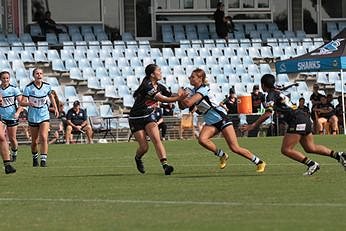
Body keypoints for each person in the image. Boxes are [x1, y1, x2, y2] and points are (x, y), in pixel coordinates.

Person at [241, 74, 346, 176]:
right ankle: (339, 155)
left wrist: (253, 125)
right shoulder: (277, 91)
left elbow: (268, 112)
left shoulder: (271, 95)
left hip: (297, 120)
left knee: (286, 149)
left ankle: (312, 164)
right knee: (310, 147)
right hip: (304, 117)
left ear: (263, 85)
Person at [179, 68, 266, 172]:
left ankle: (259, 162)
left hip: (221, 118)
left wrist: (180, 96)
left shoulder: (203, 89)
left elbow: (188, 103)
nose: (190, 78)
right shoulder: (193, 91)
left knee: (235, 148)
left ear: (200, 79)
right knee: (202, 140)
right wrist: (179, 98)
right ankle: (222, 155)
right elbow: (182, 107)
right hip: (211, 122)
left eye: (193, 77)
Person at [128, 64, 188, 175]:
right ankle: (137, 158)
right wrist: (179, 98)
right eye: (158, 71)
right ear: (152, 74)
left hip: (149, 116)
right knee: (144, 147)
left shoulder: (160, 86)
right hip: (135, 118)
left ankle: (165, 165)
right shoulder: (147, 86)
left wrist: (180, 94)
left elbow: (169, 95)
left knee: (157, 139)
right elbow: (163, 99)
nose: (161, 72)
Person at [20, 68, 59, 167]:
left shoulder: (47, 86)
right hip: (33, 116)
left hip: (44, 115)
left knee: (44, 137)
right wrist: (28, 103)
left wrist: (55, 108)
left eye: (41, 73)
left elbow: (51, 97)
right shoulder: (28, 88)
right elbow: (21, 102)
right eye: (37, 73)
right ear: (34, 75)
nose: (39, 75)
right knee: (34, 141)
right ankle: (34, 157)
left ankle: (43, 160)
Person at [0, 71, 23, 162]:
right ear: (0, 79)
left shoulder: (14, 89)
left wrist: (17, 112)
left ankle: (14, 152)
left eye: (7, 78)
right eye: (3, 78)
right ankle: (6, 153)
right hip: (1, 116)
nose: (5, 80)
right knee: (2, 137)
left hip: (11, 116)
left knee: (12, 138)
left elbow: (21, 103)